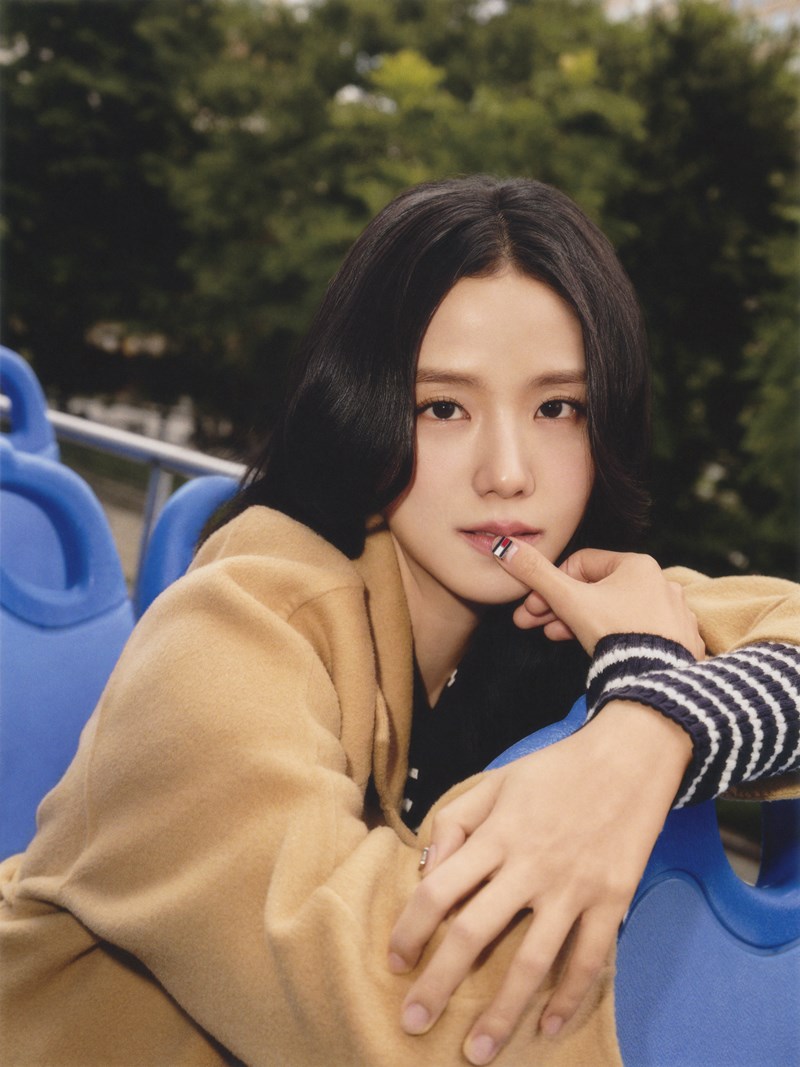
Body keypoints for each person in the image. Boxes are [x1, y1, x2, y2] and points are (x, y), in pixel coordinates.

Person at [1, 176, 798, 1067]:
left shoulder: (567, 601)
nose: (508, 472)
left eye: (557, 407)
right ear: (361, 408)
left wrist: (648, 730)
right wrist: (644, 717)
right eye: (443, 407)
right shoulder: (220, 635)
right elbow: (408, 1012)